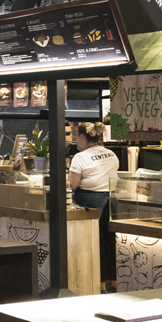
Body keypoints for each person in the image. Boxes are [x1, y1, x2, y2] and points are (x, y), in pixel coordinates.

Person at [68, 121, 120, 291]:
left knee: (96, 244)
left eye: (77, 135)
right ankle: (114, 282)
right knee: (111, 242)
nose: (76, 140)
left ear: (82, 136)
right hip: (112, 201)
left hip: (91, 203)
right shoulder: (111, 153)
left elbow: (73, 185)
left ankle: (100, 284)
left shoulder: (80, 157)